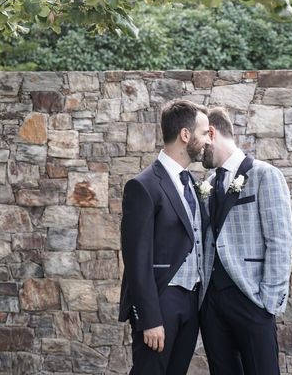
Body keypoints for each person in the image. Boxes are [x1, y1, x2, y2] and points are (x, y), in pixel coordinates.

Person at [118, 99, 211, 375]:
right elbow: (136, 260)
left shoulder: (192, 183)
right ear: (185, 135)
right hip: (161, 302)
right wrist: (150, 318)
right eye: (204, 133)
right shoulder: (143, 186)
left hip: (190, 303)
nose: (208, 140)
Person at [200, 106, 292, 375]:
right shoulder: (207, 183)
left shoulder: (265, 175)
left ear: (212, 133)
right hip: (212, 304)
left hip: (252, 300)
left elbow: (280, 240)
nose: (198, 151)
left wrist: (269, 301)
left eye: (202, 141)